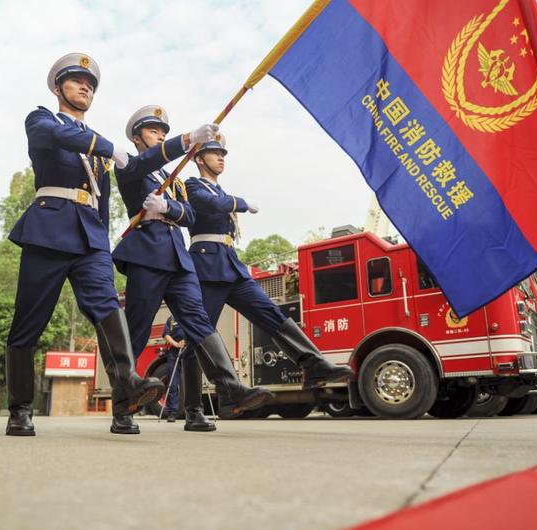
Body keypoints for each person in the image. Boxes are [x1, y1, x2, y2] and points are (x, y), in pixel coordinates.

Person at [4, 53, 164, 436]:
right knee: (29, 320)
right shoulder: (42, 120)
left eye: (90, 84)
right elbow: (58, 137)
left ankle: (129, 380)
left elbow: (106, 195)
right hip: (49, 228)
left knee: (107, 307)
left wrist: (186, 142)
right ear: (58, 88)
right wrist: (106, 146)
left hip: (90, 236)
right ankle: (20, 408)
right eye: (77, 81)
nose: (85, 87)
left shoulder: (96, 148)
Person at [112, 105, 273, 430]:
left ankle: (231, 387)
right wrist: (185, 142)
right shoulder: (131, 165)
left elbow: (190, 215)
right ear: (136, 138)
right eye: (154, 131)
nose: (161, 136)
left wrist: (168, 206)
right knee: (138, 329)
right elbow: (148, 161)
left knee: (199, 322)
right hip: (147, 255)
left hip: (178, 258)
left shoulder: (171, 180)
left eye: (164, 133)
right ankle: (122, 408)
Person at [185, 135, 355, 399]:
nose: (221, 158)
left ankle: (313, 364)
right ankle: (197, 406)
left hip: (231, 265)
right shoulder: (192, 185)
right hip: (207, 268)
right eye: (214, 153)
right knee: (199, 336)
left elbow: (221, 206)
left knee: (271, 313)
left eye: (223, 154)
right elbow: (212, 205)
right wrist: (241, 203)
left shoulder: (221, 192)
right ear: (198, 158)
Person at [161, 315, 186, 422]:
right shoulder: (172, 319)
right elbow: (166, 334)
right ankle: (172, 412)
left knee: (192, 383)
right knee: (172, 383)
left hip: (189, 351)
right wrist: (176, 344)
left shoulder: (191, 314)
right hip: (174, 352)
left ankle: (193, 411)